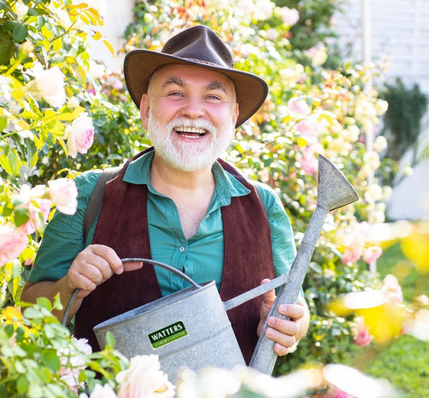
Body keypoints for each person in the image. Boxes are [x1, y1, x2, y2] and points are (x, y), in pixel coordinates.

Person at [21, 25, 310, 365]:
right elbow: (28, 315)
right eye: (175, 92)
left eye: (213, 97)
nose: (192, 110)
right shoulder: (87, 197)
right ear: (145, 110)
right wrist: (68, 285)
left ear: (232, 117)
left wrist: (291, 327)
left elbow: (294, 311)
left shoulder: (264, 206)